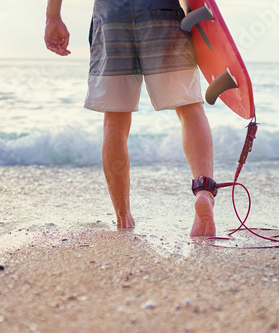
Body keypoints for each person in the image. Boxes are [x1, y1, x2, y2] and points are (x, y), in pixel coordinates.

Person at [45, 0, 217, 237]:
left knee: (115, 120)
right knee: (189, 108)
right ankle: (204, 192)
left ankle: (123, 216)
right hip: (162, 14)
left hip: (112, 17)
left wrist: (53, 17)